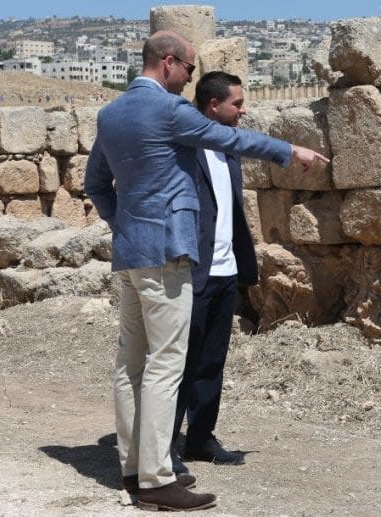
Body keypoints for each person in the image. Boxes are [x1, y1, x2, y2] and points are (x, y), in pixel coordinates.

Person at [84, 30, 327, 512]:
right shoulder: (170, 110)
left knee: (131, 364)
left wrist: (125, 224)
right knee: (165, 365)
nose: (190, 79)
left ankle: (133, 469)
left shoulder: (110, 113)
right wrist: (289, 151)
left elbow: (96, 182)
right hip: (169, 252)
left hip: (131, 252)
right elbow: (228, 137)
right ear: (169, 63)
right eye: (190, 70)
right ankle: (156, 480)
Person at [169, 71, 264, 472]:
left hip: (225, 270)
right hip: (192, 271)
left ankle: (201, 438)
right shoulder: (183, 147)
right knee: (178, 363)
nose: (242, 111)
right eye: (237, 104)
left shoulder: (229, 148)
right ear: (213, 105)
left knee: (212, 360)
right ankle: (166, 445)